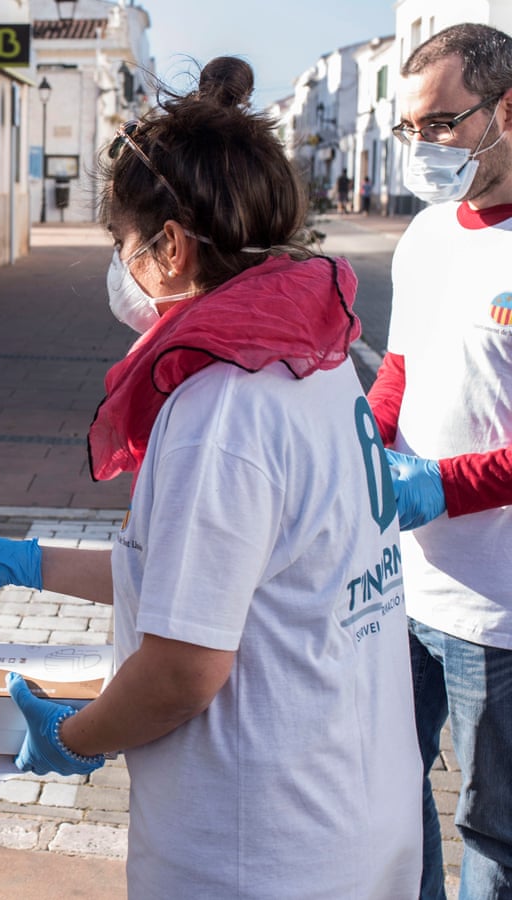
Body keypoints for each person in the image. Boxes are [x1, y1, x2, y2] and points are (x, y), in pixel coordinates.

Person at [0, 57, 422, 898]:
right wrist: (30, 561)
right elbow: (213, 577)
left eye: (120, 246)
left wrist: (76, 736)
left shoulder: (221, 410)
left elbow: (181, 672)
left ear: (168, 248)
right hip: (352, 806)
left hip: (258, 845)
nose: (117, 268)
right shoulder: (316, 358)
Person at [369, 22, 512, 899]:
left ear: (507, 109)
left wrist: (442, 486)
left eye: (443, 124)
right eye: (411, 129)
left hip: (498, 613)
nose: (425, 147)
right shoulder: (424, 235)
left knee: (493, 828)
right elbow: (403, 365)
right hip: (400, 589)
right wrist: (370, 438)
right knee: (387, 792)